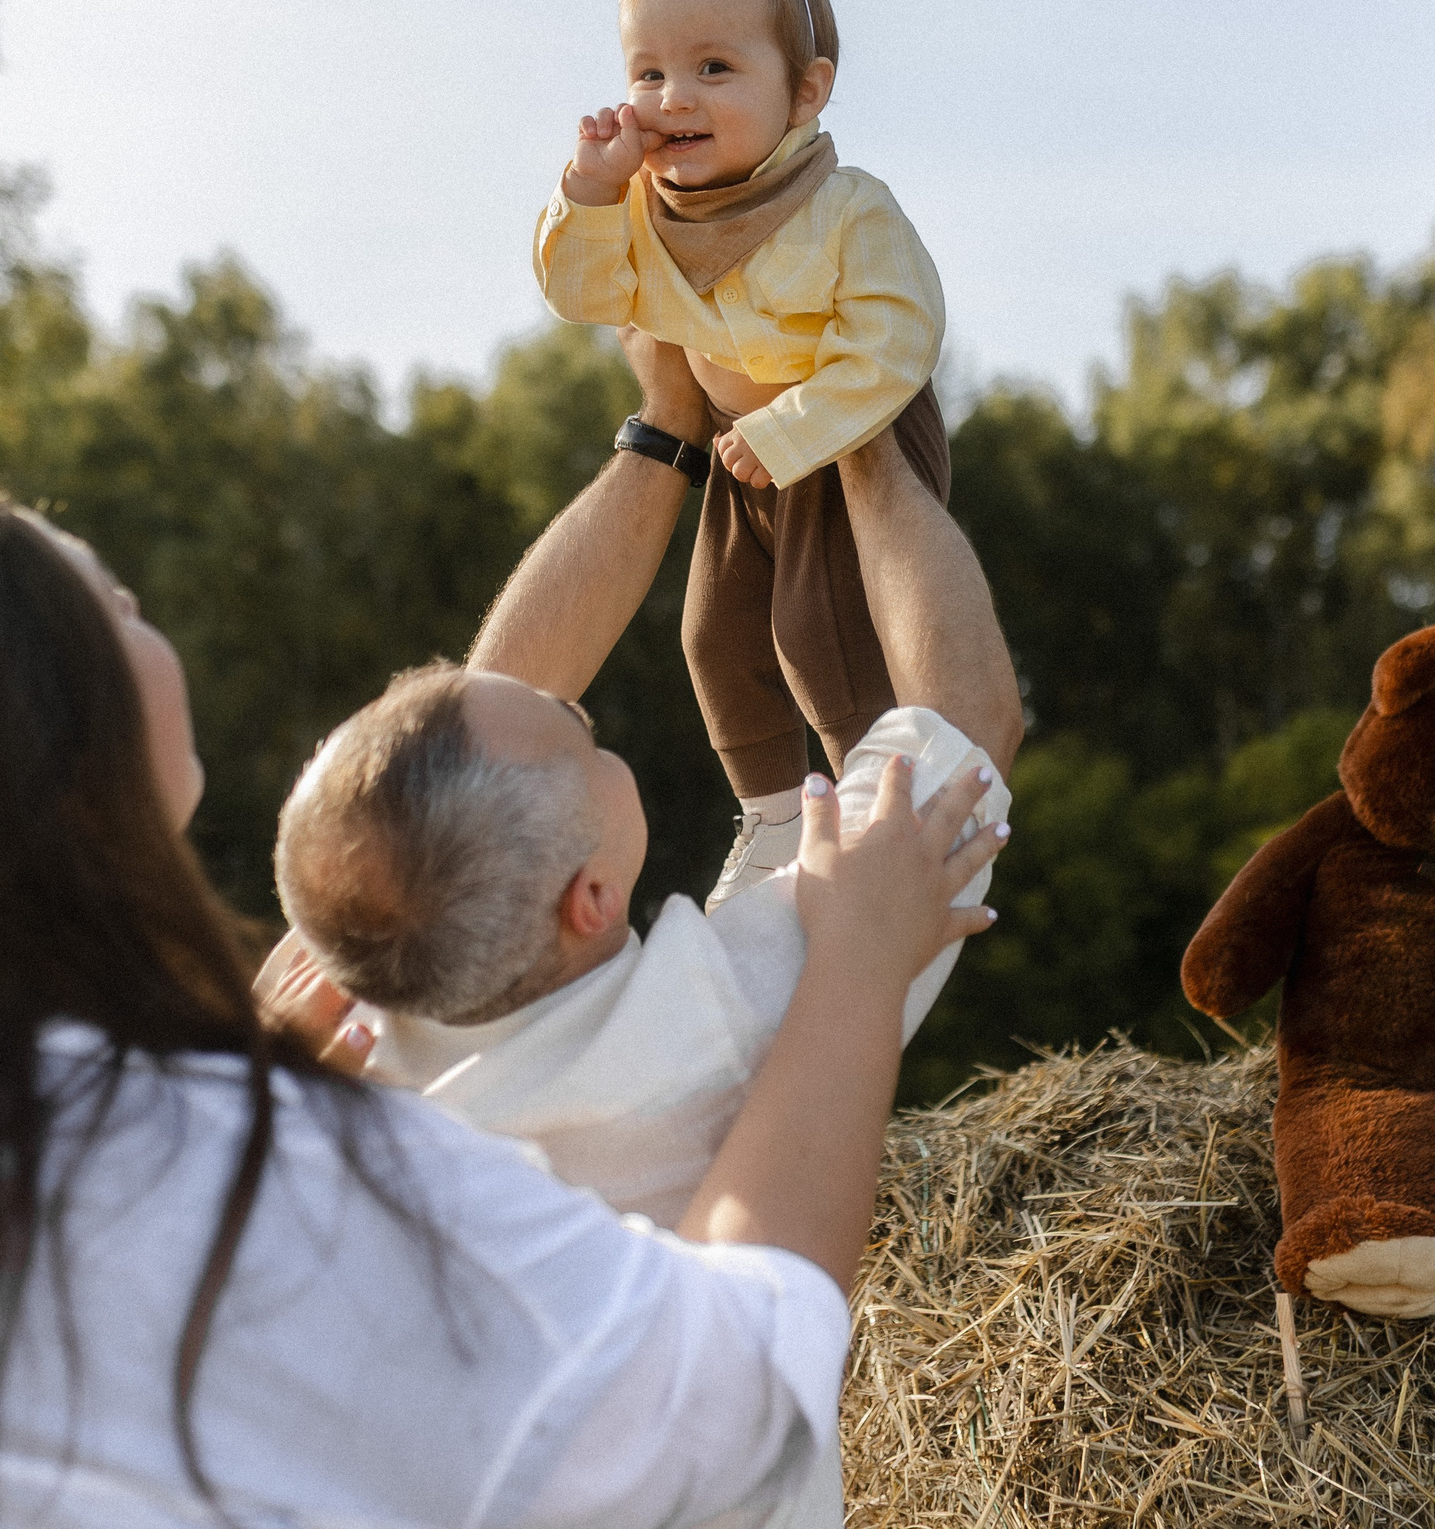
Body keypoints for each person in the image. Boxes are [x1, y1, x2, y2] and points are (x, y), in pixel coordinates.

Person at [0, 474, 1002, 1529]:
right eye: (118, 600)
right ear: (60, 739)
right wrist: (857, 971)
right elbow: (727, 1400)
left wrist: (658, 439)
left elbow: (454, 770)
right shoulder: (235, 1167)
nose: (151, 616)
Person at [262, 333, 1020, 1529]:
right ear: (589, 902)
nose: (582, 710)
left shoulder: (345, 1002)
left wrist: (662, 427)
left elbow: (474, 730)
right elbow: (967, 719)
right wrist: (863, 440)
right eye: (583, 741)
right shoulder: (733, 1020)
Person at [534, 0, 970, 903]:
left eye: (713, 68)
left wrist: (786, 435)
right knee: (715, 640)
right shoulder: (648, 209)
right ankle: (776, 822)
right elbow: (587, 294)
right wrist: (588, 198)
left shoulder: (843, 207)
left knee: (817, 634)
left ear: (806, 90)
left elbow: (896, 341)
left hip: (844, 437)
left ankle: (881, 824)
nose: (671, 95)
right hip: (745, 454)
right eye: (647, 71)